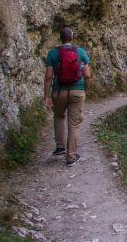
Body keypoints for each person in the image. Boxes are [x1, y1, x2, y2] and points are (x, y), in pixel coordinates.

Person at [43, 27, 91, 167]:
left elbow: (48, 76)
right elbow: (87, 75)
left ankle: (60, 148)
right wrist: (86, 88)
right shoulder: (81, 52)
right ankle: (71, 157)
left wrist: (46, 96)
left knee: (59, 116)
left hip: (58, 92)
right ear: (72, 37)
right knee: (74, 124)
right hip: (77, 92)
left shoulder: (52, 53)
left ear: (60, 38)